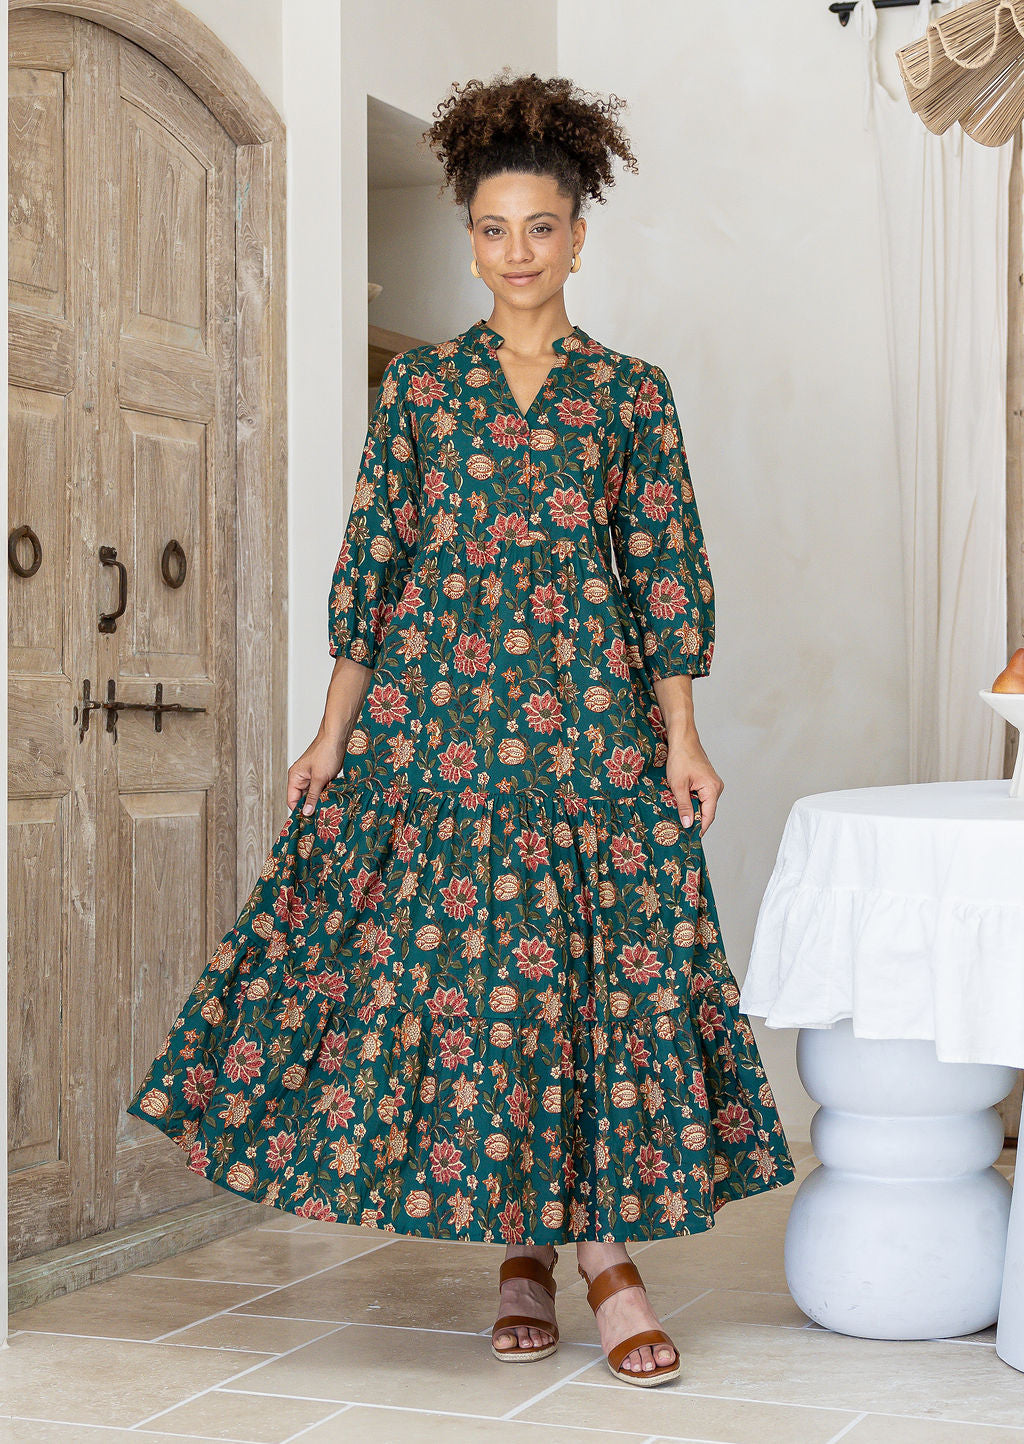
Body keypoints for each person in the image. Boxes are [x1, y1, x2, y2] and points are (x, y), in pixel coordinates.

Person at [126, 68, 796, 1389]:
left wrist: (683, 735)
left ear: (579, 236)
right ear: (470, 239)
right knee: (474, 978)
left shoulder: (629, 395)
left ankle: (600, 1254)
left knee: (582, 980)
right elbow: (374, 562)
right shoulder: (423, 395)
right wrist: (331, 732)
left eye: (540, 227)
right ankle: (519, 1248)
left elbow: (666, 566)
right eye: (493, 229)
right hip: (436, 728)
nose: (517, 253)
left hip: (590, 729)